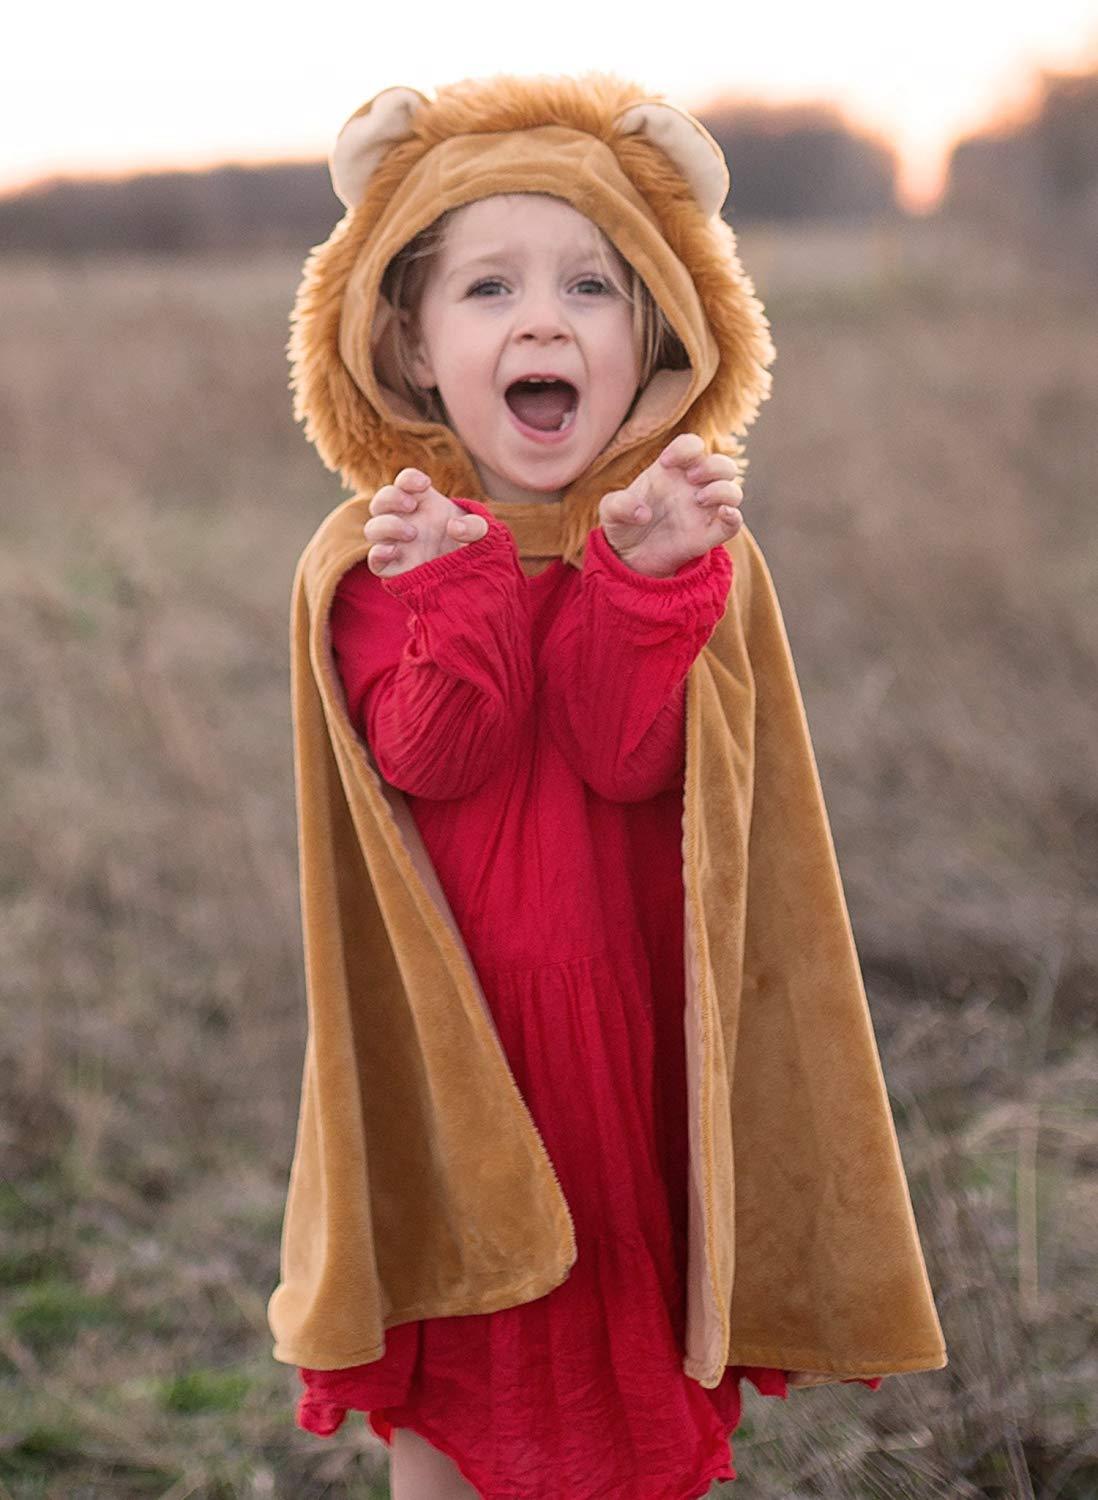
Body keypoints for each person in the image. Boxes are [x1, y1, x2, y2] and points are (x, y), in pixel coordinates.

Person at [268, 70, 946, 1500]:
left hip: (625, 1058)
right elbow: (427, 755)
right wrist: (453, 586)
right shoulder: (379, 547)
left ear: (656, 333)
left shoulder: (683, 538)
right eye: (486, 288)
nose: (541, 318)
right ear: (400, 339)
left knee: (626, 1413)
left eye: (590, 285)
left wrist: (640, 583)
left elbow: (626, 754)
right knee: (456, 1409)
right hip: (465, 1064)